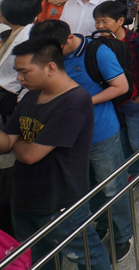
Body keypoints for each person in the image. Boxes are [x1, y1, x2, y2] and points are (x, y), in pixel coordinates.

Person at [0, 37, 112, 270]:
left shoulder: (74, 101)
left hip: (60, 203)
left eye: (24, 71)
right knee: (37, 261)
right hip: (23, 199)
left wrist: (18, 143)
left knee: (90, 258)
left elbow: (30, 155)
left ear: (50, 67)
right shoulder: (31, 95)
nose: (19, 78)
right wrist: (17, 143)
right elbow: (7, 142)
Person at [29, 20, 133, 262]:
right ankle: (101, 223)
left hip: (100, 134)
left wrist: (83, 102)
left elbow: (120, 86)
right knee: (82, 189)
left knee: (112, 186)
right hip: (66, 138)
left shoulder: (97, 52)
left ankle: (122, 235)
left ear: (68, 38)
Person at [93, 1, 139, 197]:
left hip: (134, 104)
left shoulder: (138, 42)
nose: (100, 26)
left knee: (137, 142)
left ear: (120, 21)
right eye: (97, 22)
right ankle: (137, 171)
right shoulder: (99, 45)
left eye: (104, 21)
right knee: (123, 143)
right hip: (113, 103)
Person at [0, 0, 40, 118]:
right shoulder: (16, 33)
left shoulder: (26, 39)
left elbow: (30, 74)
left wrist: (22, 103)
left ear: (11, 13)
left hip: (14, 96)